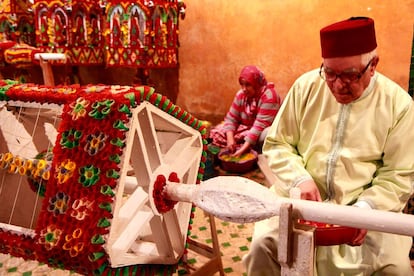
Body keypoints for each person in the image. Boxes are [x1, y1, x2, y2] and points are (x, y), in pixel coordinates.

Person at [243, 17, 414, 275]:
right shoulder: (306, 87)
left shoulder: (398, 105)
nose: (337, 85)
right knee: (262, 247)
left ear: (373, 65)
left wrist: (364, 211)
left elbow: (398, 174)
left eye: (349, 75)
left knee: (395, 268)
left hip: (366, 210)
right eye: (330, 73)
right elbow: (277, 144)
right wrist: (299, 179)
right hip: (299, 203)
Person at [210, 65, 282, 157]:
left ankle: (251, 148)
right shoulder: (241, 95)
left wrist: (242, 150)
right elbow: (231, 119)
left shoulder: (270, 96)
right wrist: (230, 140)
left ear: (256, 84)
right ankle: (238, 145)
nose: (244, 89)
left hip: (261, 130)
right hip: (246, 129)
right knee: (217, 132)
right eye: (242, 84)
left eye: (248, 85)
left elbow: (259, 126)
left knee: (266, 135)